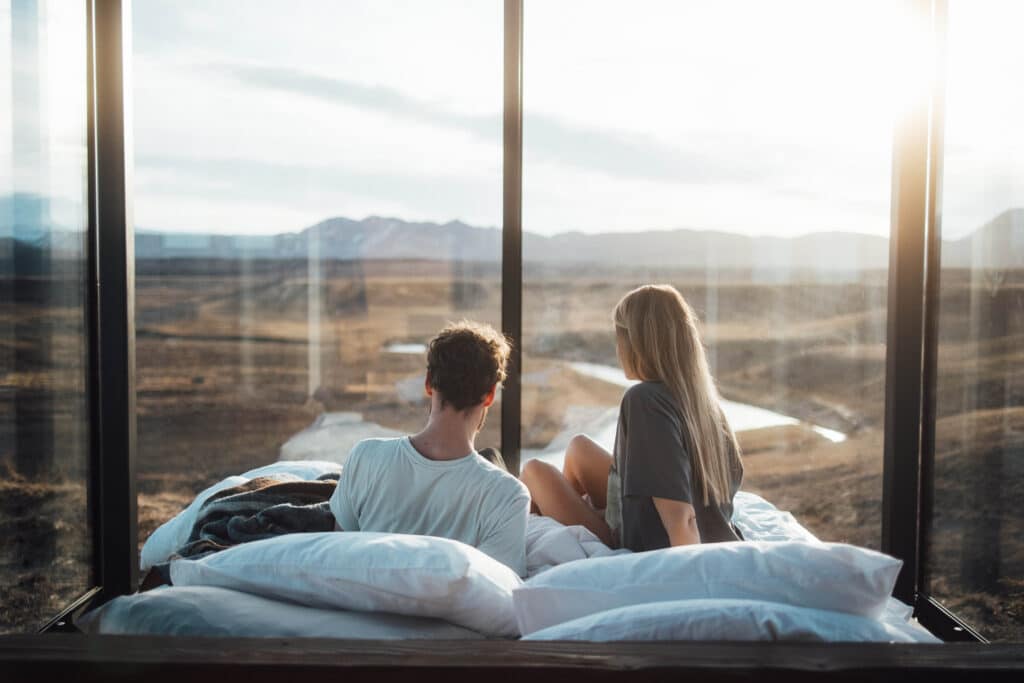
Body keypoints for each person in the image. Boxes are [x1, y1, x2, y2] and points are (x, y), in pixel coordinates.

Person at [520, 284, 744, 551]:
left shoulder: (644, 400)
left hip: (642, 544)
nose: (618, 350)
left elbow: (681, 521)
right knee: (579, 447)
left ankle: (557, 535)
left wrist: (694, 576)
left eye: (619, 340)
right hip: (709, 532)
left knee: (534, 471)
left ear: (637, 344)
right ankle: (583, 516)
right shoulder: (706, 405)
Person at [330, 320, 531, 576]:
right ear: (490, 395)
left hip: (361, 605)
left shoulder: (365, 456)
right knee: (492, 457)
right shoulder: (508, 496)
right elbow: (501, 591)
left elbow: (334, 557)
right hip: (451, 613)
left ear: (428, 383)